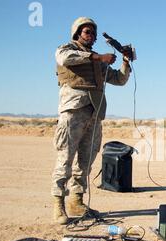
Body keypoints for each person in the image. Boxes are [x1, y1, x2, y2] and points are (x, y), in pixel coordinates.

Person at [51, 17, 131, 224]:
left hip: (94, 114)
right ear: (77, 33)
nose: (92, 36)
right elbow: (65, 58)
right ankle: (58, 205)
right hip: (73, 112)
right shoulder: (67, 48)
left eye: (93, 34)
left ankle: (77, 201)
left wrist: (125, 61)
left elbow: (119, 80)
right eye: (87, 32)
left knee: (85, 162)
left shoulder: (99, 62)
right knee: (65, 160)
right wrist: (97, 57)